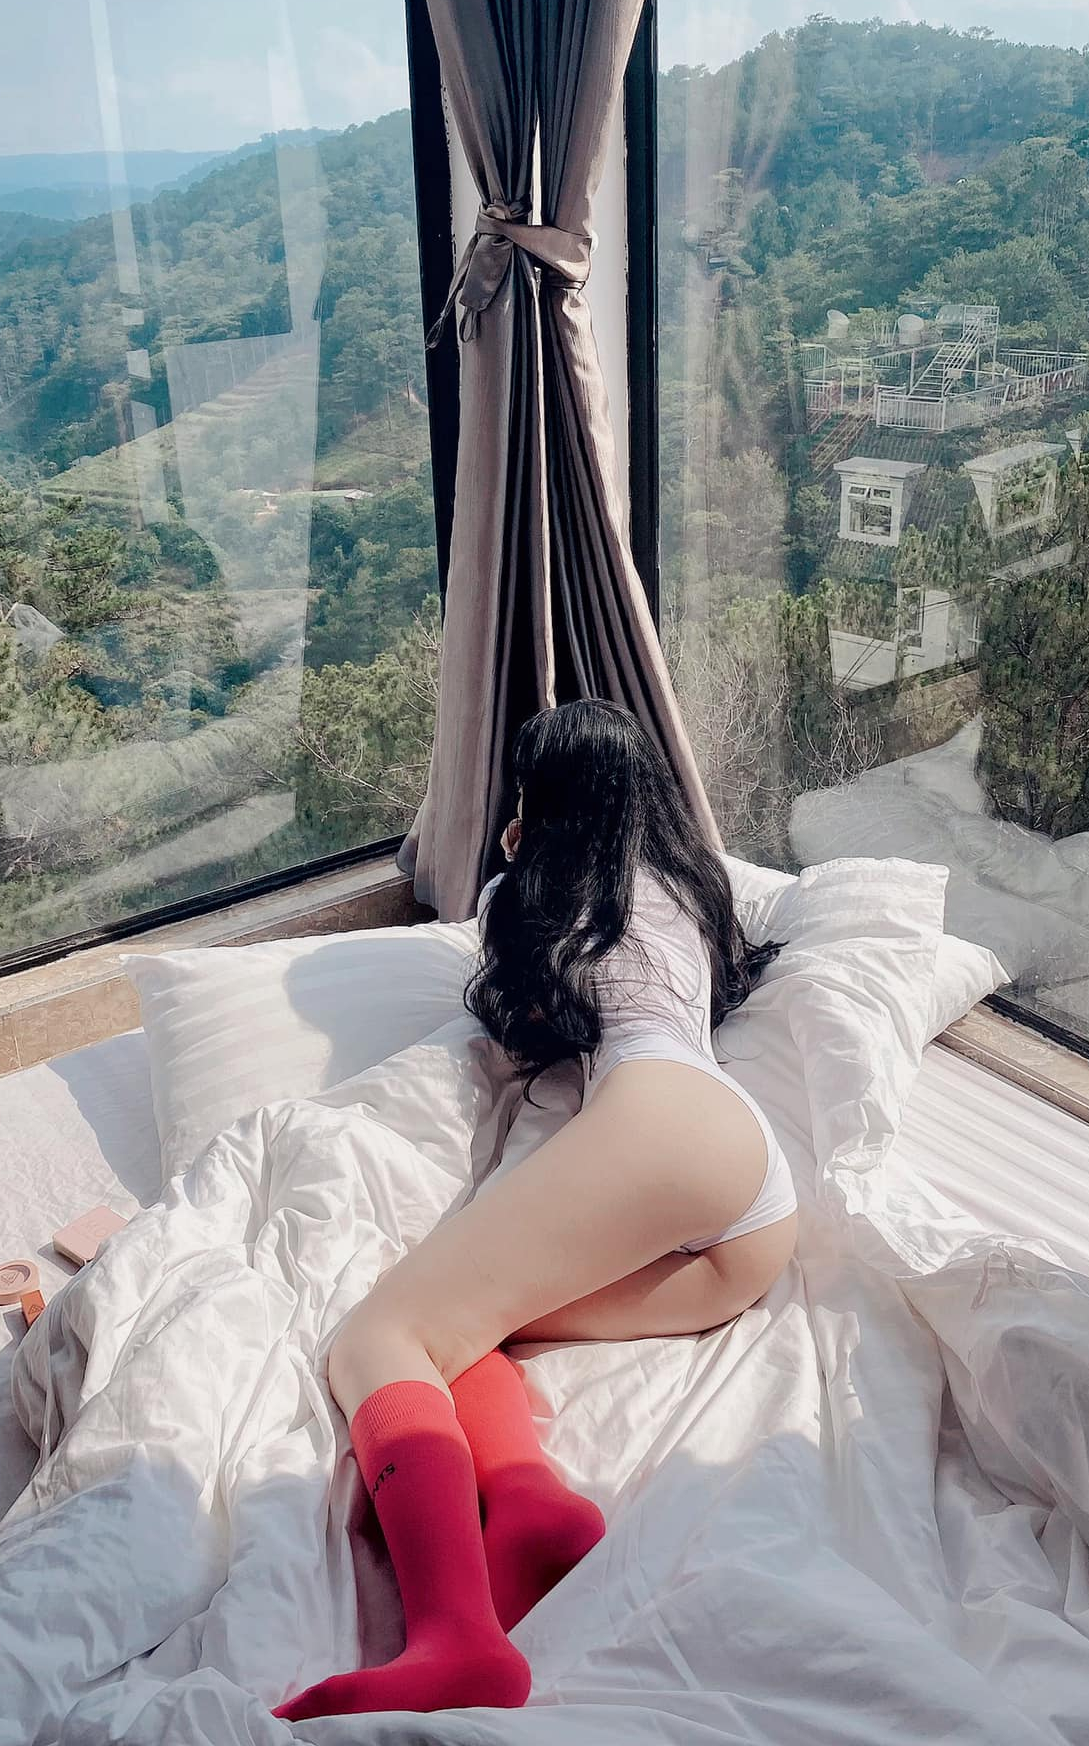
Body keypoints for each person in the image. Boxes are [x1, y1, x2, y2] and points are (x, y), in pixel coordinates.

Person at [274, 698, 798, 1722]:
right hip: (750, 1225)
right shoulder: (693, 882)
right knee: (469, 1330)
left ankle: (455, 1637)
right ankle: (527, 1500)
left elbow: (519, 1017)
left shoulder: (538, 890)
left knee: (379, 1335)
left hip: (662, 1118)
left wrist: (515, 870)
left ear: (538, 804)